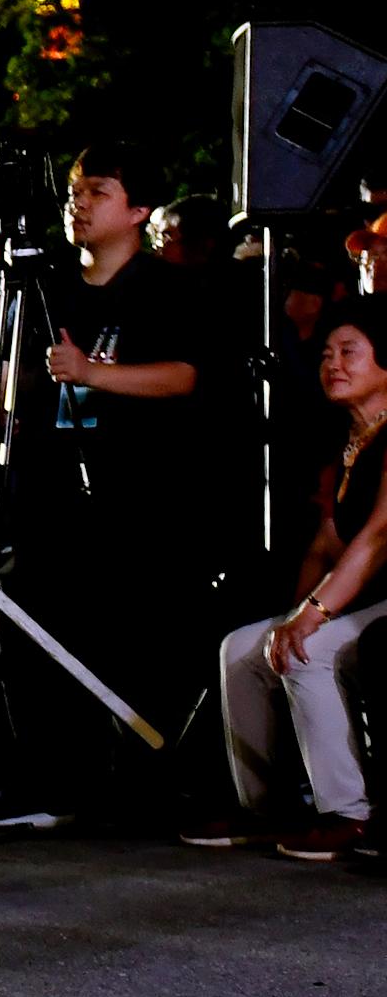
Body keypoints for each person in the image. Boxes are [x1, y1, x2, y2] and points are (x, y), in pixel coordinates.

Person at [24, 136, 212, 823]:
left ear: (139, 210)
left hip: (143, 492)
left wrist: (93, 374)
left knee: (141, 639)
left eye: (98, 192)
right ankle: (65, 780)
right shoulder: (48, 287)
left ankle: (145, 785)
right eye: (75, 191)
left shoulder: (169, 289)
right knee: (56, 629)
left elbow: (186, 376)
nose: (80, 204)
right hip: (57, 492)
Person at [192, 312, 387, 863]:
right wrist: (289, 616)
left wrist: (311, 617)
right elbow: (326, 545)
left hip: (380, 596)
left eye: (350, 351)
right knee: (244, 649)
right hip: (361, 595)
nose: (333, 364)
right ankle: (264, 807)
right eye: (326, 354)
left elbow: (377, 537)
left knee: (310, 649)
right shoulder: (349, 442)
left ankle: (349, 813)